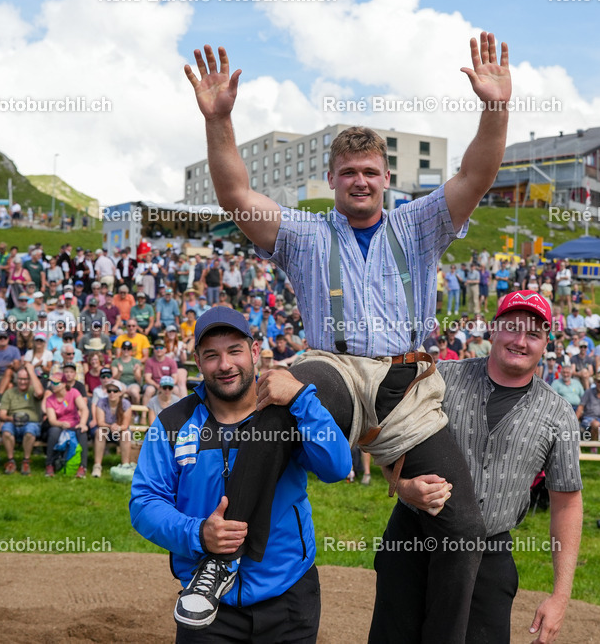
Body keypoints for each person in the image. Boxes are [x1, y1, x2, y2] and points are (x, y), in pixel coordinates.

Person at [187, 32, 510, 641]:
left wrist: (495, 105)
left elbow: (479, 169)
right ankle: (222, 558)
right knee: (278, 399)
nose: (359, 181)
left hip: (409, 383)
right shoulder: (306, 233)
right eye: (348, 173)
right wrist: (220, 121)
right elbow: (234, 194)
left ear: (387, 177)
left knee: (464, 525)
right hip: (335, 369)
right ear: (330, 178)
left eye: (370, 172)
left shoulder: (420, 223)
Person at [129, 307, 350, 639]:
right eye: (212, 356)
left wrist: (302, 399)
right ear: (198, 362)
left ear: (255, 352)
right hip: (206, 603)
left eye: (235, 351)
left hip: (289, 595)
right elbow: (144, 503)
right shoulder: (172, 424)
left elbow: (337, 467)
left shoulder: (288, 412)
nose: (225, 365)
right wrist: (198, 533)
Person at [375, 293, 583, 644]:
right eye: (511, 328)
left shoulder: (559, 414)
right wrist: (403, 486)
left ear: (546, 344)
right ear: (493, 331)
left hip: (488, 554)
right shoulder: (442, 379)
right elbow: (388, 444)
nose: (520, 341)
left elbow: (567, 503)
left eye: (533, 334)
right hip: (413, 540)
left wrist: (560, 596)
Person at [0, 366, 45, 475]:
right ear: (16, 379)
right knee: (6, 431)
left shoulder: (33, 390)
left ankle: (26, 461)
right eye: (20, 379)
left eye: (25, 379)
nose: (22, 382)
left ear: (29, 380)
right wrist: (13, 419)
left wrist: (30, 371)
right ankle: (11, 461)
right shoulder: (9, 393)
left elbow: (40, 392)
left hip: (31, 422)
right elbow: (2, 414)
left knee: (30, 432)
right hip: (13, 421)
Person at [43, 370, 90, 478]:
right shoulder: (50, 399)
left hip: (75, 423)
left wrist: (82, 423)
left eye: (55, 383)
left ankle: (82, 466)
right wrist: (61, 424)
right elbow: (52, 420)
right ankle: (49, 464)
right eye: (51, 383)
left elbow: (84, 409)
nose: (52, 386)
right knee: (54, 431)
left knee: (82, 431)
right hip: (59, 424)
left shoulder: (73, 392)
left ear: (64, 384)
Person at [92, 379, 133, 477]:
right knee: (99, 432)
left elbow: (125, 425)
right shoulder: (101, 402)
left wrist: (118, 428)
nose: (112, 393)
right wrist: (111, 426)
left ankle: (125, 465)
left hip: (120, 431)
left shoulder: (126, 404)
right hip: (106, 430)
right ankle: (97, 466)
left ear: (120, 393)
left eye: (115, 391)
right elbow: (100, 422)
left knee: (126, 434)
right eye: (109, 390)